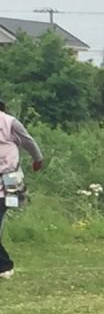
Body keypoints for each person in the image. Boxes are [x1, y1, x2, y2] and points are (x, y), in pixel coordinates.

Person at [0, 93, 43, 280]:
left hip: (9, 178)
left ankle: (4, 266)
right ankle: (4, 265)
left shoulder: (10, 123)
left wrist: (38, 159)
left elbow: (28, 141)